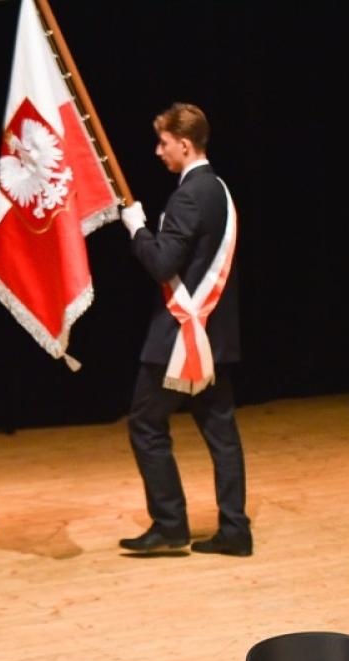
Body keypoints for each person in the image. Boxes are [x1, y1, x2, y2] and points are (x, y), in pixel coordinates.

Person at [117, 103, 252, 557]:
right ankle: (234, 529)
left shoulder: (188, 196)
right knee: (221, 433)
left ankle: (170, 523)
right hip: (214, 337)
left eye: (164, 143)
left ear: (185, 144)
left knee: (145, 424)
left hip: (180, 337)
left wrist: (137, 229)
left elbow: (162, 264)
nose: (159, 152)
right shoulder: (220, 189)